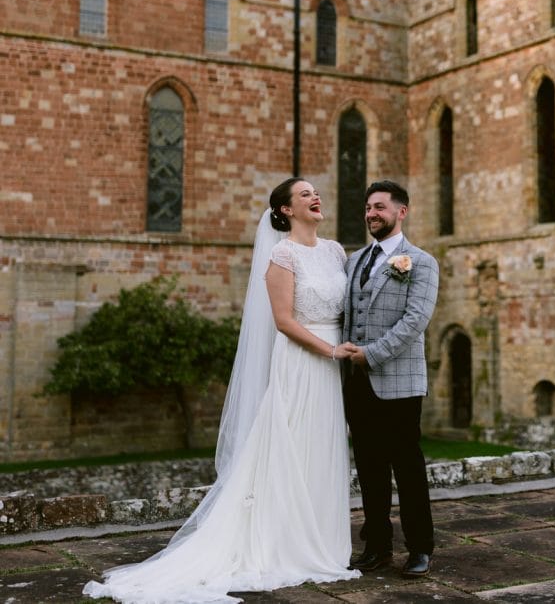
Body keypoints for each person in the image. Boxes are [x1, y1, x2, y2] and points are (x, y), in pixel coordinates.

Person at [84, 178, 360, 603]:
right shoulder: (282, 254)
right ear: (285, 210)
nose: (315, 197)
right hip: (305, 362)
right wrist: (330, 351)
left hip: (332, 365)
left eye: (315, 192)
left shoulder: (335, 251)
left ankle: (323, 541)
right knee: (294, 445)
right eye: (304, 194)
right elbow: (285, 321)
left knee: (324, 448)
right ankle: (285, 543)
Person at [341, 180, 440, 577]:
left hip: (398, 381)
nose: (371, 214)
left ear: (402, 212)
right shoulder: (353, 261)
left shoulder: (421, 261)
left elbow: (415, 320)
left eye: (380, 207)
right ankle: (377, 546)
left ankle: (420, 548)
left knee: (408, 468)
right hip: (356, 383)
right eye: (368, 207)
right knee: (369, 467)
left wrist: (371, 354)